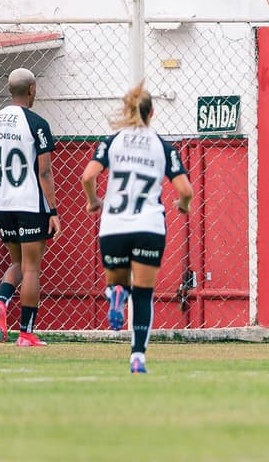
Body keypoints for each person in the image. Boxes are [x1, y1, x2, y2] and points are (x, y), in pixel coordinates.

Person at [81, 82, 193, 374]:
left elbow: (88, 176)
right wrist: (183, 205)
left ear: (126, 111)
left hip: (114, 226)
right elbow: (186, 189)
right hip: (149, 226)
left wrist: (94, 201)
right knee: (143, 294)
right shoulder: (163, 147)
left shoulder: (112, 141)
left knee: (118, 284)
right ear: (152, 113)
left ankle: (116, 294)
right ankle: (138, 357)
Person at [0, 67, 60, 347]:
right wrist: (52, 210)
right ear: (32, 89)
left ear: (9, 89)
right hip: (30, 203)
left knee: (16, 263)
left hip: (3, 203)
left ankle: (1, 302)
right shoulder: (37, 123)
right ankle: (26, 333)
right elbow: (44, 172)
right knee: (31, 269)